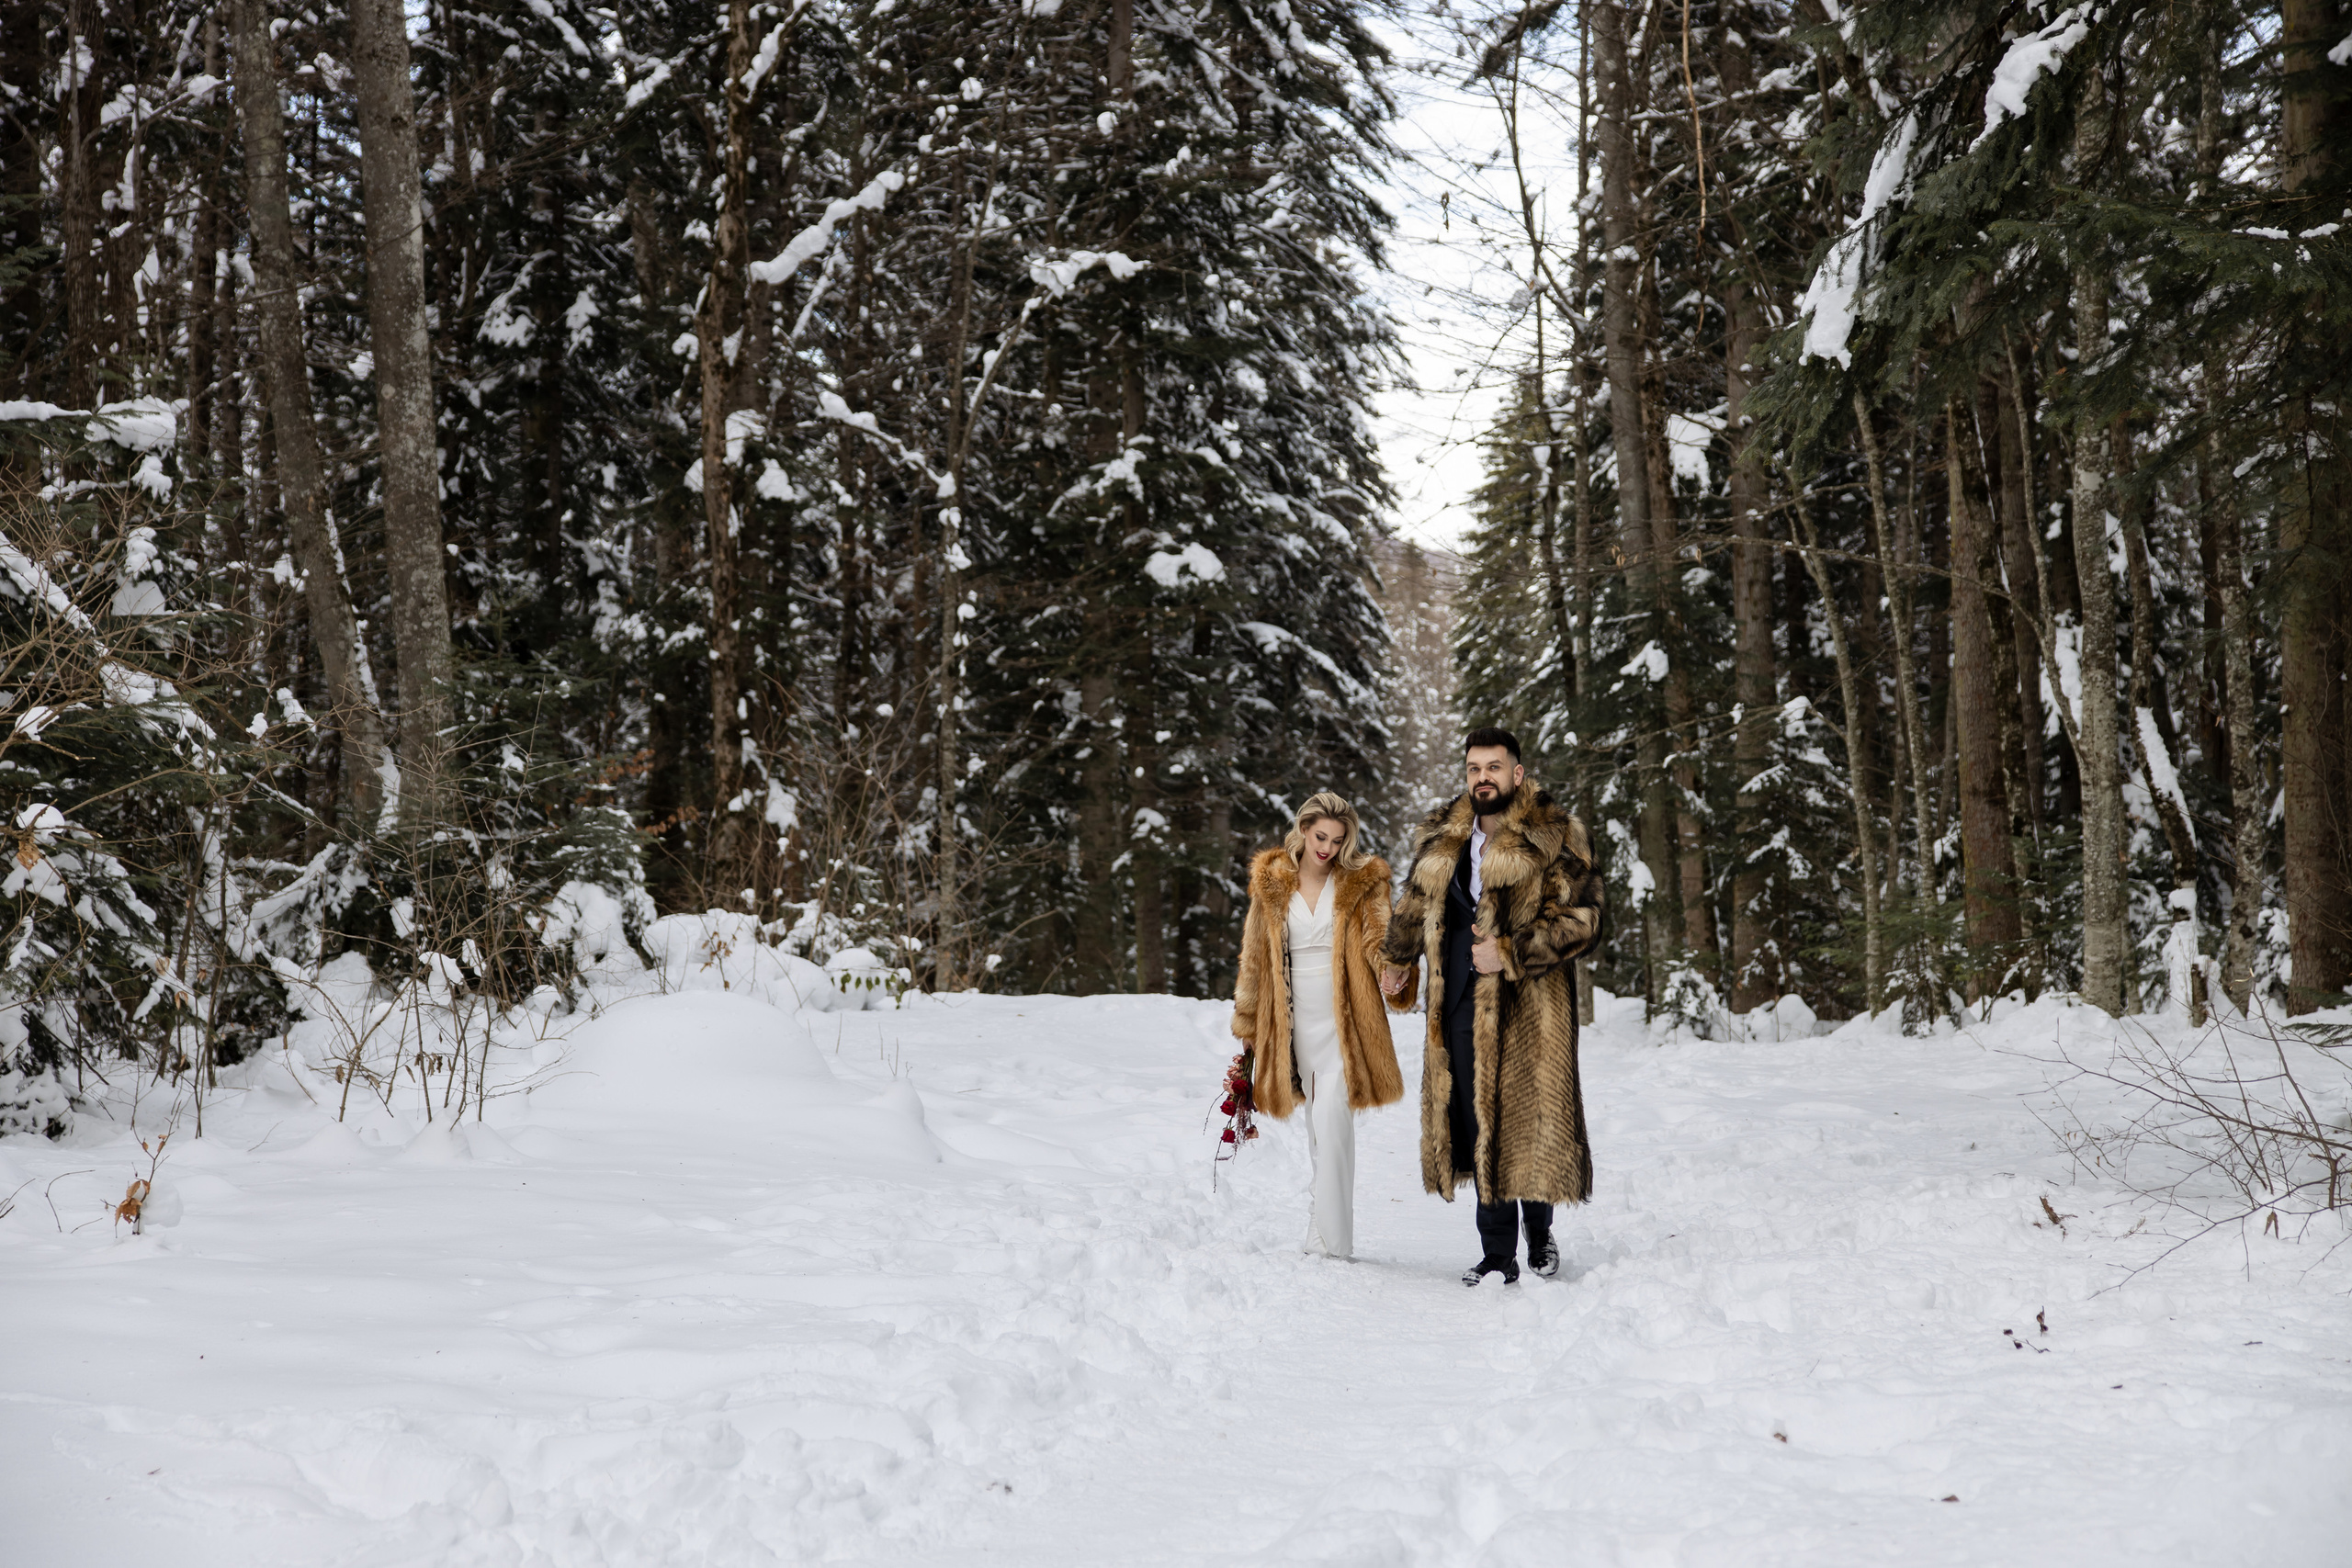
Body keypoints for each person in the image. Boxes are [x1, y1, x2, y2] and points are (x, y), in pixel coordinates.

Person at [1381, 728, 1605, 1285]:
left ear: (1517, 774)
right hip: (1458, 995)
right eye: (1474, 768)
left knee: (1530, 1119)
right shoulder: (1443, 838)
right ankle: (1497, 1253)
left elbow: (1585, 921)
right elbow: (1413, 904)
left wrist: (1507, 951)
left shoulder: (1556, 835)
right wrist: (1397, 958)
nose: (1484, 777)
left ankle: (1540, 1234)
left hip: (1532, 1004)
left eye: (1495, 767)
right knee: (1480, 1119)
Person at [1231, 792, 1415, 1258]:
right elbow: (1254, 958)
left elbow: (1379, 938)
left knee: (1333, 1120)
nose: (1327, 848)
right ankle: (1320, 1222)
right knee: (1317, 1121)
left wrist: (1393, 970)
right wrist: (1249, 1024)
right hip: (1291, 1022)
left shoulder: (1361, 883)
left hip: (1345, 1017)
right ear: (1303, 830)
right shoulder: (1272, 882)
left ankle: (1333, 1243)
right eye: (1320, 837)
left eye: (1337, 840)